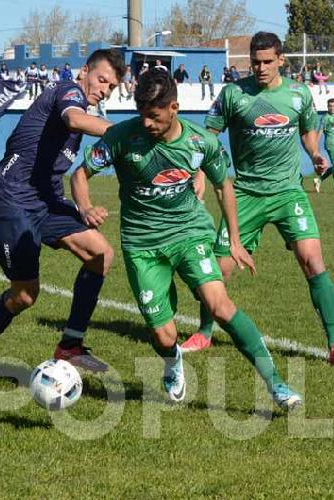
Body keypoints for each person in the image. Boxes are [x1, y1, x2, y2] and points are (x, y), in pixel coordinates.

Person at [71, 69, 303, 409]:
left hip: (189, 233)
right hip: (142, 245)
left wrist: (234, 241)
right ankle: (172, 361)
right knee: (164, 335)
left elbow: (224, 185)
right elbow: (80, 173)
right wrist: (86, 207)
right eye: (142, 115)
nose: (147, 123)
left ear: (174, 108)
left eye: (154, 116)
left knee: (220, 306)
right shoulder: (122, 137)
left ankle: (277, 385)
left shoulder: (200, 143)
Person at [189, 32, 334, 366]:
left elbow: (308, 130)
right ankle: (204, 333)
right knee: (219, 271)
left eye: (268, 61)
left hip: (287, 192)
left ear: (281, 60)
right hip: (246, 194)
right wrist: (198, 175)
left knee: (312, 260)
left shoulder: (298, 94)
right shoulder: (233, 94)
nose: (261, 68)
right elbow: (208, 137)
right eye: (256, 62)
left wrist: (313, 153)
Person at [0, 49, 126, 377]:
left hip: (45, 200)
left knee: (101, 254)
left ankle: (70, 346)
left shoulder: (82, 117)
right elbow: (72, 117)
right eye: (101, 80)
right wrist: (122, 132)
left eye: (111, 87)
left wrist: (84, 207)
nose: (104, 89)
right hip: (9, 199)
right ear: (84, 71)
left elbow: (69, 170)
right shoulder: (67, 92)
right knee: (26, 295)